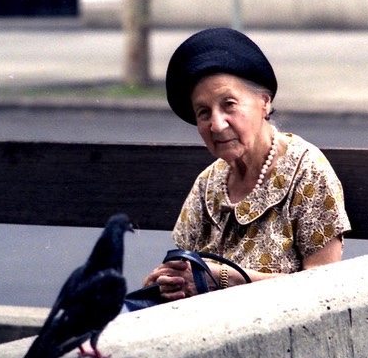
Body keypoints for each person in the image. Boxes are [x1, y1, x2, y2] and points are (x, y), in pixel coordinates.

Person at [142, 28, 351, 302]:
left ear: (264, 102)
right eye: (203, 112)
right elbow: (187, 270)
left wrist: (222, 277)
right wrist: (167, 282)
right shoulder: (208, 183)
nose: (217, 124)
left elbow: (324, 284)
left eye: (229, 104)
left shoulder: (308, 172)